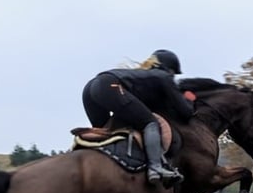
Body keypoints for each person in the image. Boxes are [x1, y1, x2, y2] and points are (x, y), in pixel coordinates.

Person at [81, 49, 194, 184]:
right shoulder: (164, 76)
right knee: (149, 123)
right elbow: (186, 112)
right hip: (109, 85)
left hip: (91, 87)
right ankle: (155, 167)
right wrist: (189, 98)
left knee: (105, 132)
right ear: (169, 69)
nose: (173, 77)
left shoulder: (144, 76)